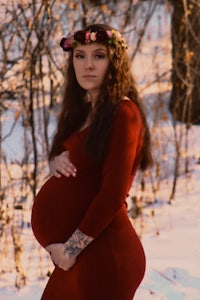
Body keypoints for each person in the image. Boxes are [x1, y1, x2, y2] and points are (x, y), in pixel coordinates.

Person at [31, 23, 153, 300]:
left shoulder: (123, 113)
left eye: (99, 56)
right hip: (84, 255)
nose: (88, 64)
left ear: (115, 62)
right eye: (80, 56)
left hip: (105, 253)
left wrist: (70, 250)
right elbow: (80, 162)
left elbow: (112, 194)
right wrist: (55, 161)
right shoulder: (84, 111)